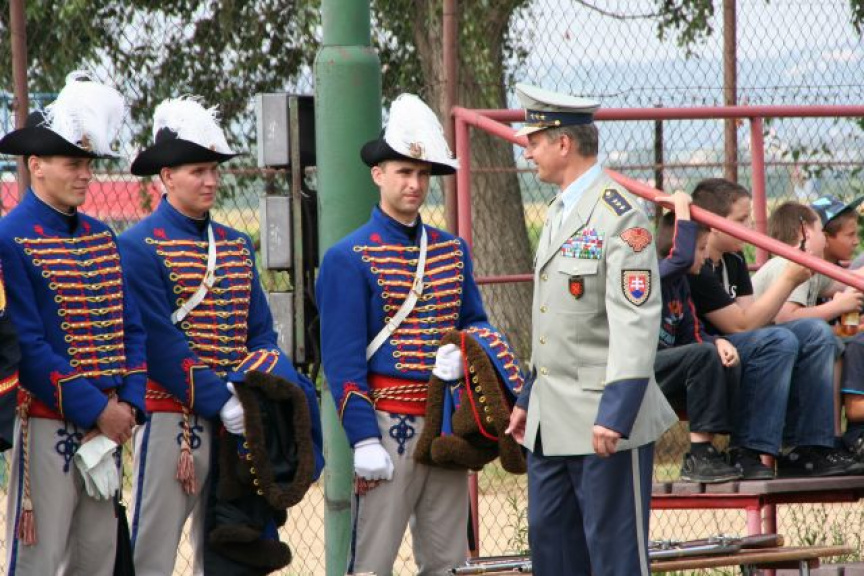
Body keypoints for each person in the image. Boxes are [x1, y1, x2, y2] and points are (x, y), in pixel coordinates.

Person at [316, 94, 520, 576]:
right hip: (386, 427)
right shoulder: (348, 257)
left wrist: (467, 351)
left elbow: (475, 320)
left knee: (449, 563)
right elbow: (342, 362)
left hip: (445, 424)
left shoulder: (452, 251)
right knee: (371, 564)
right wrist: (363, 439)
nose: (414, 184)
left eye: (423, 174)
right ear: (378, 174)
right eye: (403, 172)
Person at [118, 97, 323, 575]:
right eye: (198, 171)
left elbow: (261, 333)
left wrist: (256, 390)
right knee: (152, 553)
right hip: (175, 420)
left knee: (234, 556)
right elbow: (160, 343)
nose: (211, 180)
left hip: (240, 424)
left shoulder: (234, 244)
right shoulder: (137, 246)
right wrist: (220, 400)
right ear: (167, 176)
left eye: (213, 169)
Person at [504, 83, 677, 576]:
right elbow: (553, 321)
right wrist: (528, 396)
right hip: (550, 420)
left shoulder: (621, 218)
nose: (527, 151)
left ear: (563, 143)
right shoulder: (560, 210)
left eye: (534, 140)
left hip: (603, 420)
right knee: (553, 554)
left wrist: (616, 413)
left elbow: (635, 320)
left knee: (614, 559)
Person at [0, 72, 146, 575]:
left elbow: (132, 329)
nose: (85, 175)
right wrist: (97, 408)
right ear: (36, 165)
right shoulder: (9, 239)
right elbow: (26, 345)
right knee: (39, 561)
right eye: (73, 164)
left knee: (98, 559)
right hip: (47, 423)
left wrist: (128, 404)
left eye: (88, 164)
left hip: (108, 428)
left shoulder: (103, 237)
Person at [688, 178, 857, 478]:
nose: (750, 227)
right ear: (713, 224)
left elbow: (751, 317)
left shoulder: (734, 258)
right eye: (741, 220)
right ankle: (746, 450)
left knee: (816, 334)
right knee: (779, 340)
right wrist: (789, 279)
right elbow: (741, 324)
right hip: (710, 348)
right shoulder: (698, 264)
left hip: (740, 341)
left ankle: (808, 449)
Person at [654, 192, 741, 484]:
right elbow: (681, 258)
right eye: (702, 248)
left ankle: (735, 448)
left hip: (667, 370)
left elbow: (692, 334)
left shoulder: (680, 284)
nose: (706, 256)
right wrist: (681, 206)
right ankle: (699, 455)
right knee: (702, 356)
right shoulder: (653, 273)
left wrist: (718, 342)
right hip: (639, 368)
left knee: (723, 357)